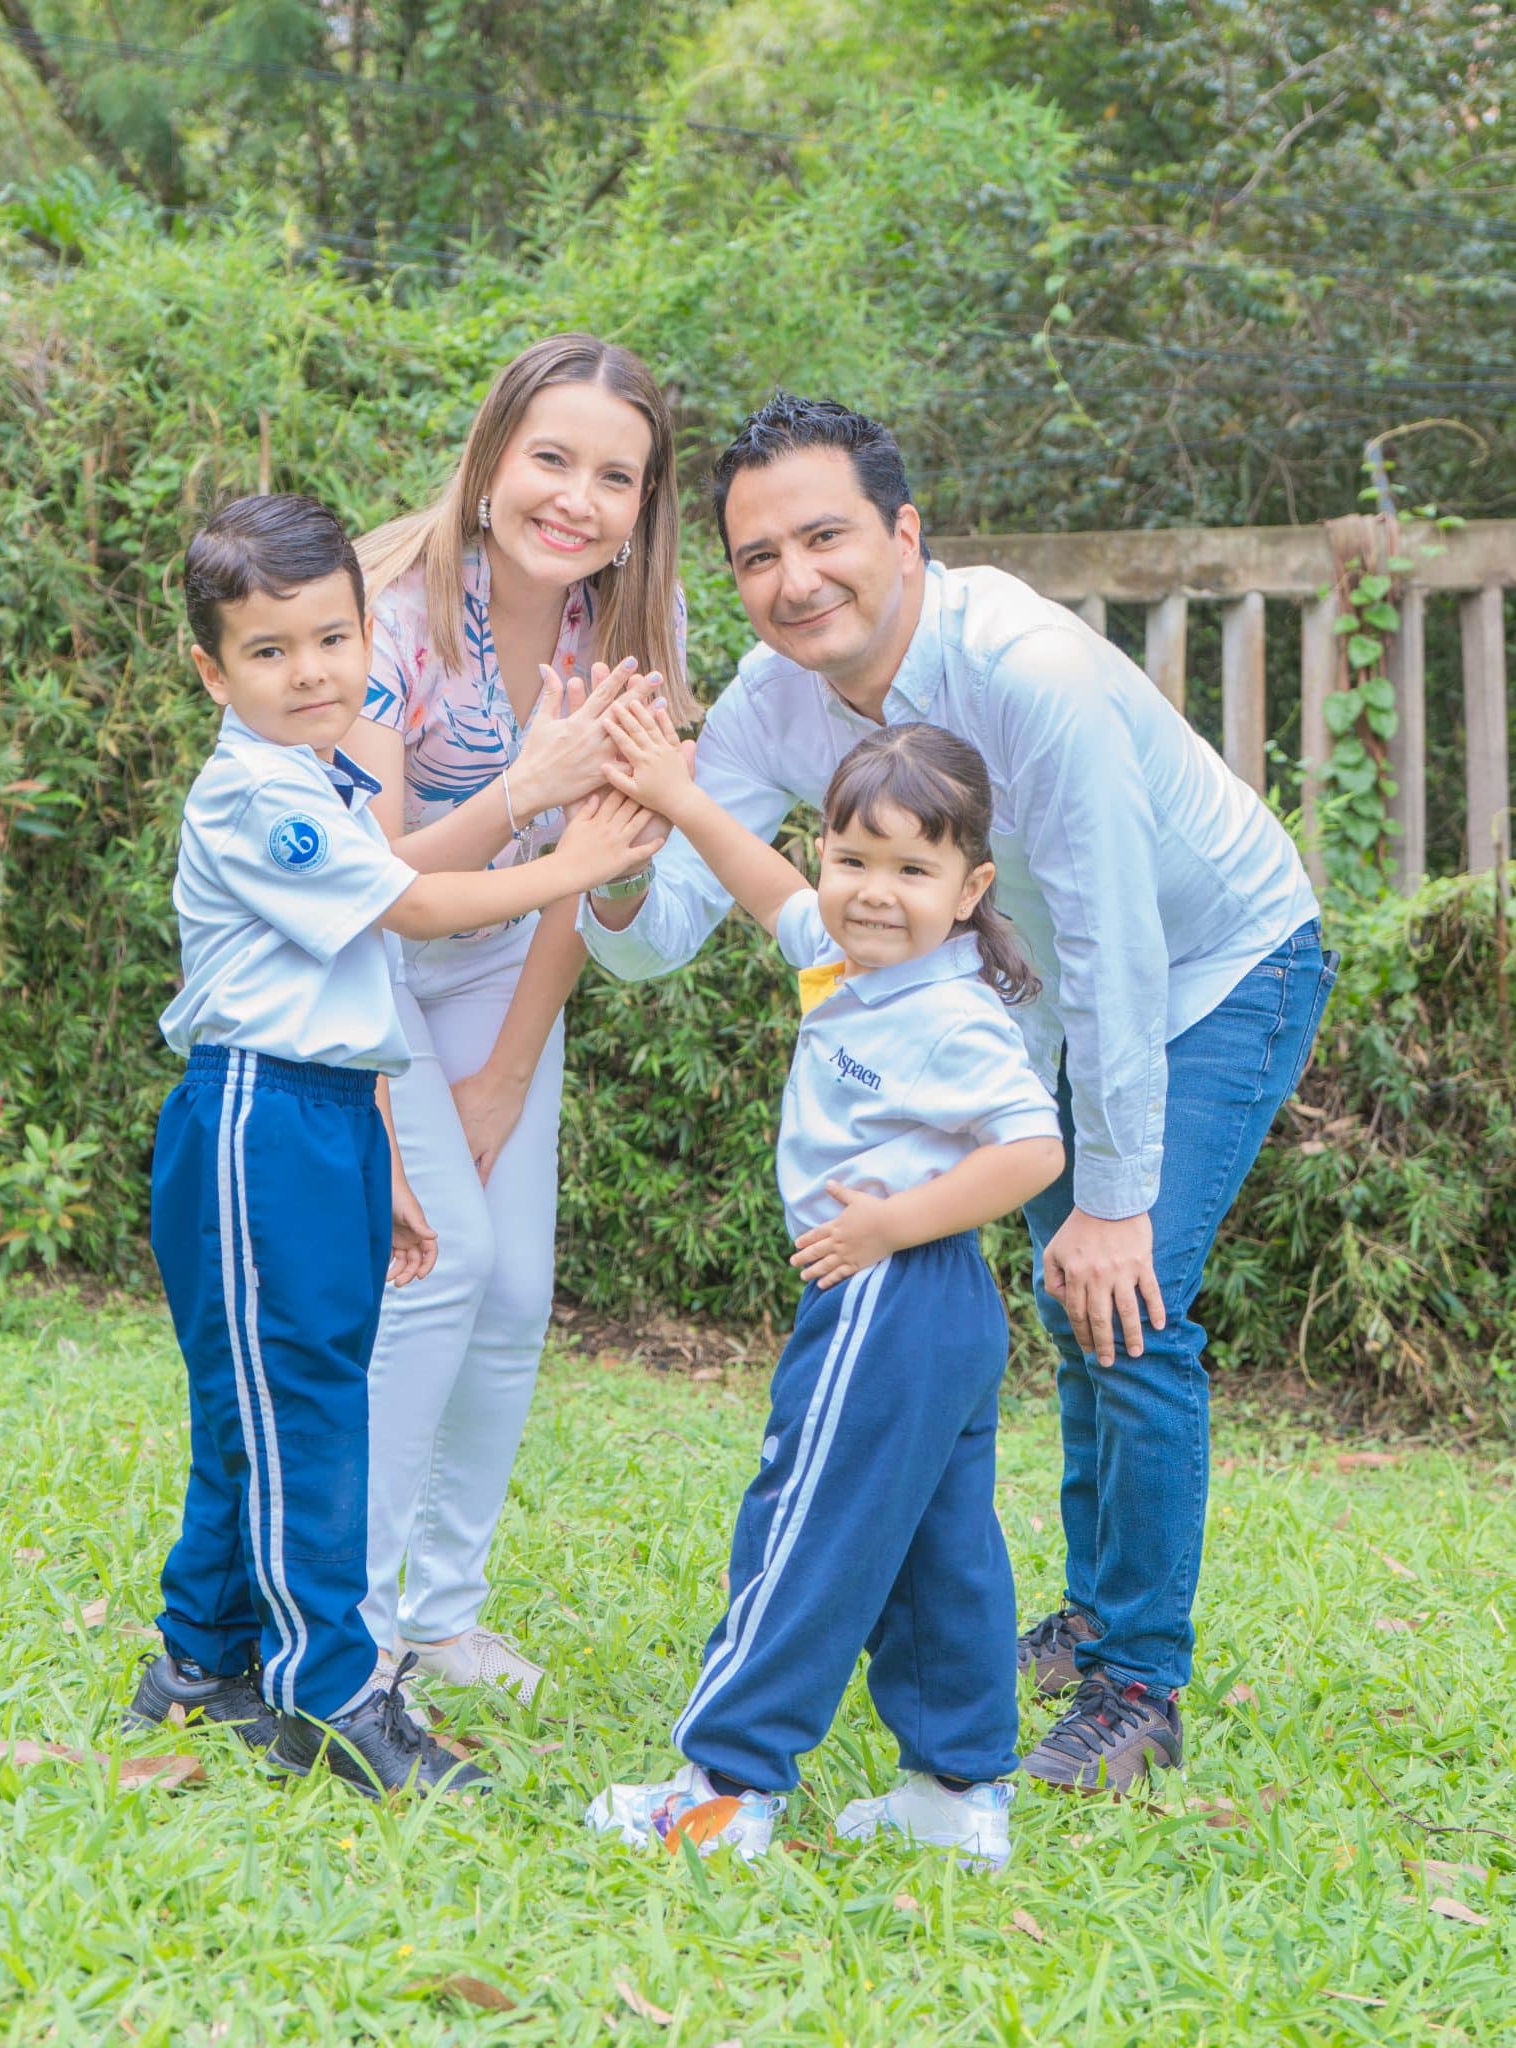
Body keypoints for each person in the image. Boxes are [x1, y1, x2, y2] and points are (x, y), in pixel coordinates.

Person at [582, 396, 1338, 1792]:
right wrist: (616, 858)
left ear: (905, 533)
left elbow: (1114, 940)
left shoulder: (1028, 674)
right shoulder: (772, 698)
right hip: (1035, 1003)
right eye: (757, 556)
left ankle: (1136, 1681)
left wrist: (1114, 1201)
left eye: (824, 537)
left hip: (1214, 964)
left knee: (1130, 1300)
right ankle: (1090, 1612)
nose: (794, 580)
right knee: (1070, 1299)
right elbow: (667, 917)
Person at [123, 493, 661, 1799]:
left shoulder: (318, 775)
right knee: (302, 1409)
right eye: (269, 650)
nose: (309, 671)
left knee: (264, 1402)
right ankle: (330, 1690)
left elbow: (350, 988)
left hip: (327, 1111)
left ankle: (200, 1661)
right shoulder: (262, 795)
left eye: (331, 640)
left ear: (371, 641)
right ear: (212, 670)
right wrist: (573, 857)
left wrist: (396, 1164)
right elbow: (412, 908)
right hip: (256, 1119)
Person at [586, 706, 1064, 1862]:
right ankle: (957, 1794)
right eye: (853, 859)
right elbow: (768, 890)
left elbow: (1033, 1148)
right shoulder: (855, 959)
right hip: (936, 1313)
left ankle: (723, 1787)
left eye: (912, 869)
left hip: (891, 1297)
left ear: (971, 887)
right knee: (937, 1550)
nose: (873, 892)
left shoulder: (949, 1012)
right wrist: (681, 797)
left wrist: (889, 1224)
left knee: (802, 1525)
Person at [343, 334, 695, 1707]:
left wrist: (503, 1071)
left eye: (615, 476)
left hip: (500, 957)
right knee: (436, 1267)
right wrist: (523, 787)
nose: (577, 499)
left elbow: (590, 875)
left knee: (513, 1290)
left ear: (645, 504)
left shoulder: (633, 629)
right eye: (552, 457)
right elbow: (371, 884)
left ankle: (443, 1613)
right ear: (492, 458)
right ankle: (353, 1622)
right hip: (362, 959)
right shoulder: (387, 609)